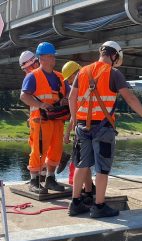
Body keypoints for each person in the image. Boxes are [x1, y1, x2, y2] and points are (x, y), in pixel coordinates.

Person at [68, 40, 142, 218]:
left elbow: (71, 98)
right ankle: (99, 206)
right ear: (114, 55)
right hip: (103, 128)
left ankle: (75, 203)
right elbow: (130, 99)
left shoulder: (83, 71)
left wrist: (75, 120)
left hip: (82, 126)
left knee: (81, 165)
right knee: (102, 168)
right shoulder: (114, 73)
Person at [20, 42, 68, 194]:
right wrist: (41, 105)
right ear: (41, 58)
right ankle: (34, 180)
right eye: (49, 56)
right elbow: (24, 96)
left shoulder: (60, 77)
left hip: (57, 119)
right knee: (39, 150)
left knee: (56, 149)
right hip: (40, 120)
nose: (53, 59)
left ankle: (50, 179)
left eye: (53, 56)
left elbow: (69, 93)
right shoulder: (32, 76)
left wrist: (65, 100)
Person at [62, 61, 95, 199]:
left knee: (83, 162)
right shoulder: (87, 85)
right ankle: (89, 189)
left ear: (76, 73)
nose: (69, 82)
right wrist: (68, 131)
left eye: (70, 78)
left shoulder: (81, 88)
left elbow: (74, 115)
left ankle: (87, 190)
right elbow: (74, 114)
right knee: (84, 163)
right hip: (88, 127)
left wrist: (67, 132)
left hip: (86, 128)